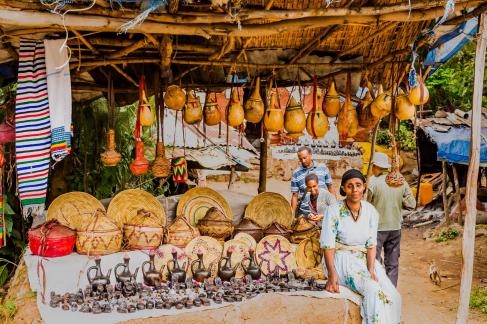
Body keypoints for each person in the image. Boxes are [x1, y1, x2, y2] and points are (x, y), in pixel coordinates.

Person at [321, 169, 401, 324]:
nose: (354, 190)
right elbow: (328, 245)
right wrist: (332, 275)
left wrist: (371, 269)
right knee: (372, 290)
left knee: (394, 296)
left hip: (364, 260)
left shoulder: (371, 211)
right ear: (343, 188)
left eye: (358, 185)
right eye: (350, 186)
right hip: (340, 260)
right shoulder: (333, 211)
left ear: (364, 186)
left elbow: (371, 245)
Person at [367, 152, 415, 287]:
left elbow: (366, 205)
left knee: (373, 261)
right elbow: (412, 204)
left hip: (377, 229)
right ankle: (391, 291)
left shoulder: (372, 182)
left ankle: (376, 289)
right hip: (395, 228)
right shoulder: (400, 181)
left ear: (376, 166)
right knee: (392, 263)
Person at [291, 146, 336, 218]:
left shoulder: (323, 167)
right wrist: (292, 214)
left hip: (323, 211)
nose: (303, 161)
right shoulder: (296, 173)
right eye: (300, 159)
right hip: (305, 212)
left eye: (305, 158)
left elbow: (330, 188)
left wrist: (335, 207)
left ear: (310, 155)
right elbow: (295, 196)